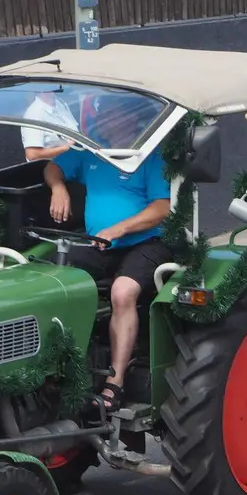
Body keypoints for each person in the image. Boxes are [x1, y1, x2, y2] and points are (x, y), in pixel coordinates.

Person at [43, 146, 174, 410]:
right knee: (53, 281)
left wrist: (119, 228)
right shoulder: (93, 150)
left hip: (147, 242)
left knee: (122, 292)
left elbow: (163, 207)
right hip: (100, 243)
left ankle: (115, 383)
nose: (113, 125)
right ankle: (59, 371)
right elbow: (52, 167)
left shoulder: (151, 155)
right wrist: (58, 187)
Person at [21, 88, 80, 161]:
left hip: (76, 157)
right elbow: (32, 154)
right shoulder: (34, 114)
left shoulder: (59, 102)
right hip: (54, 164)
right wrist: (66, 148)